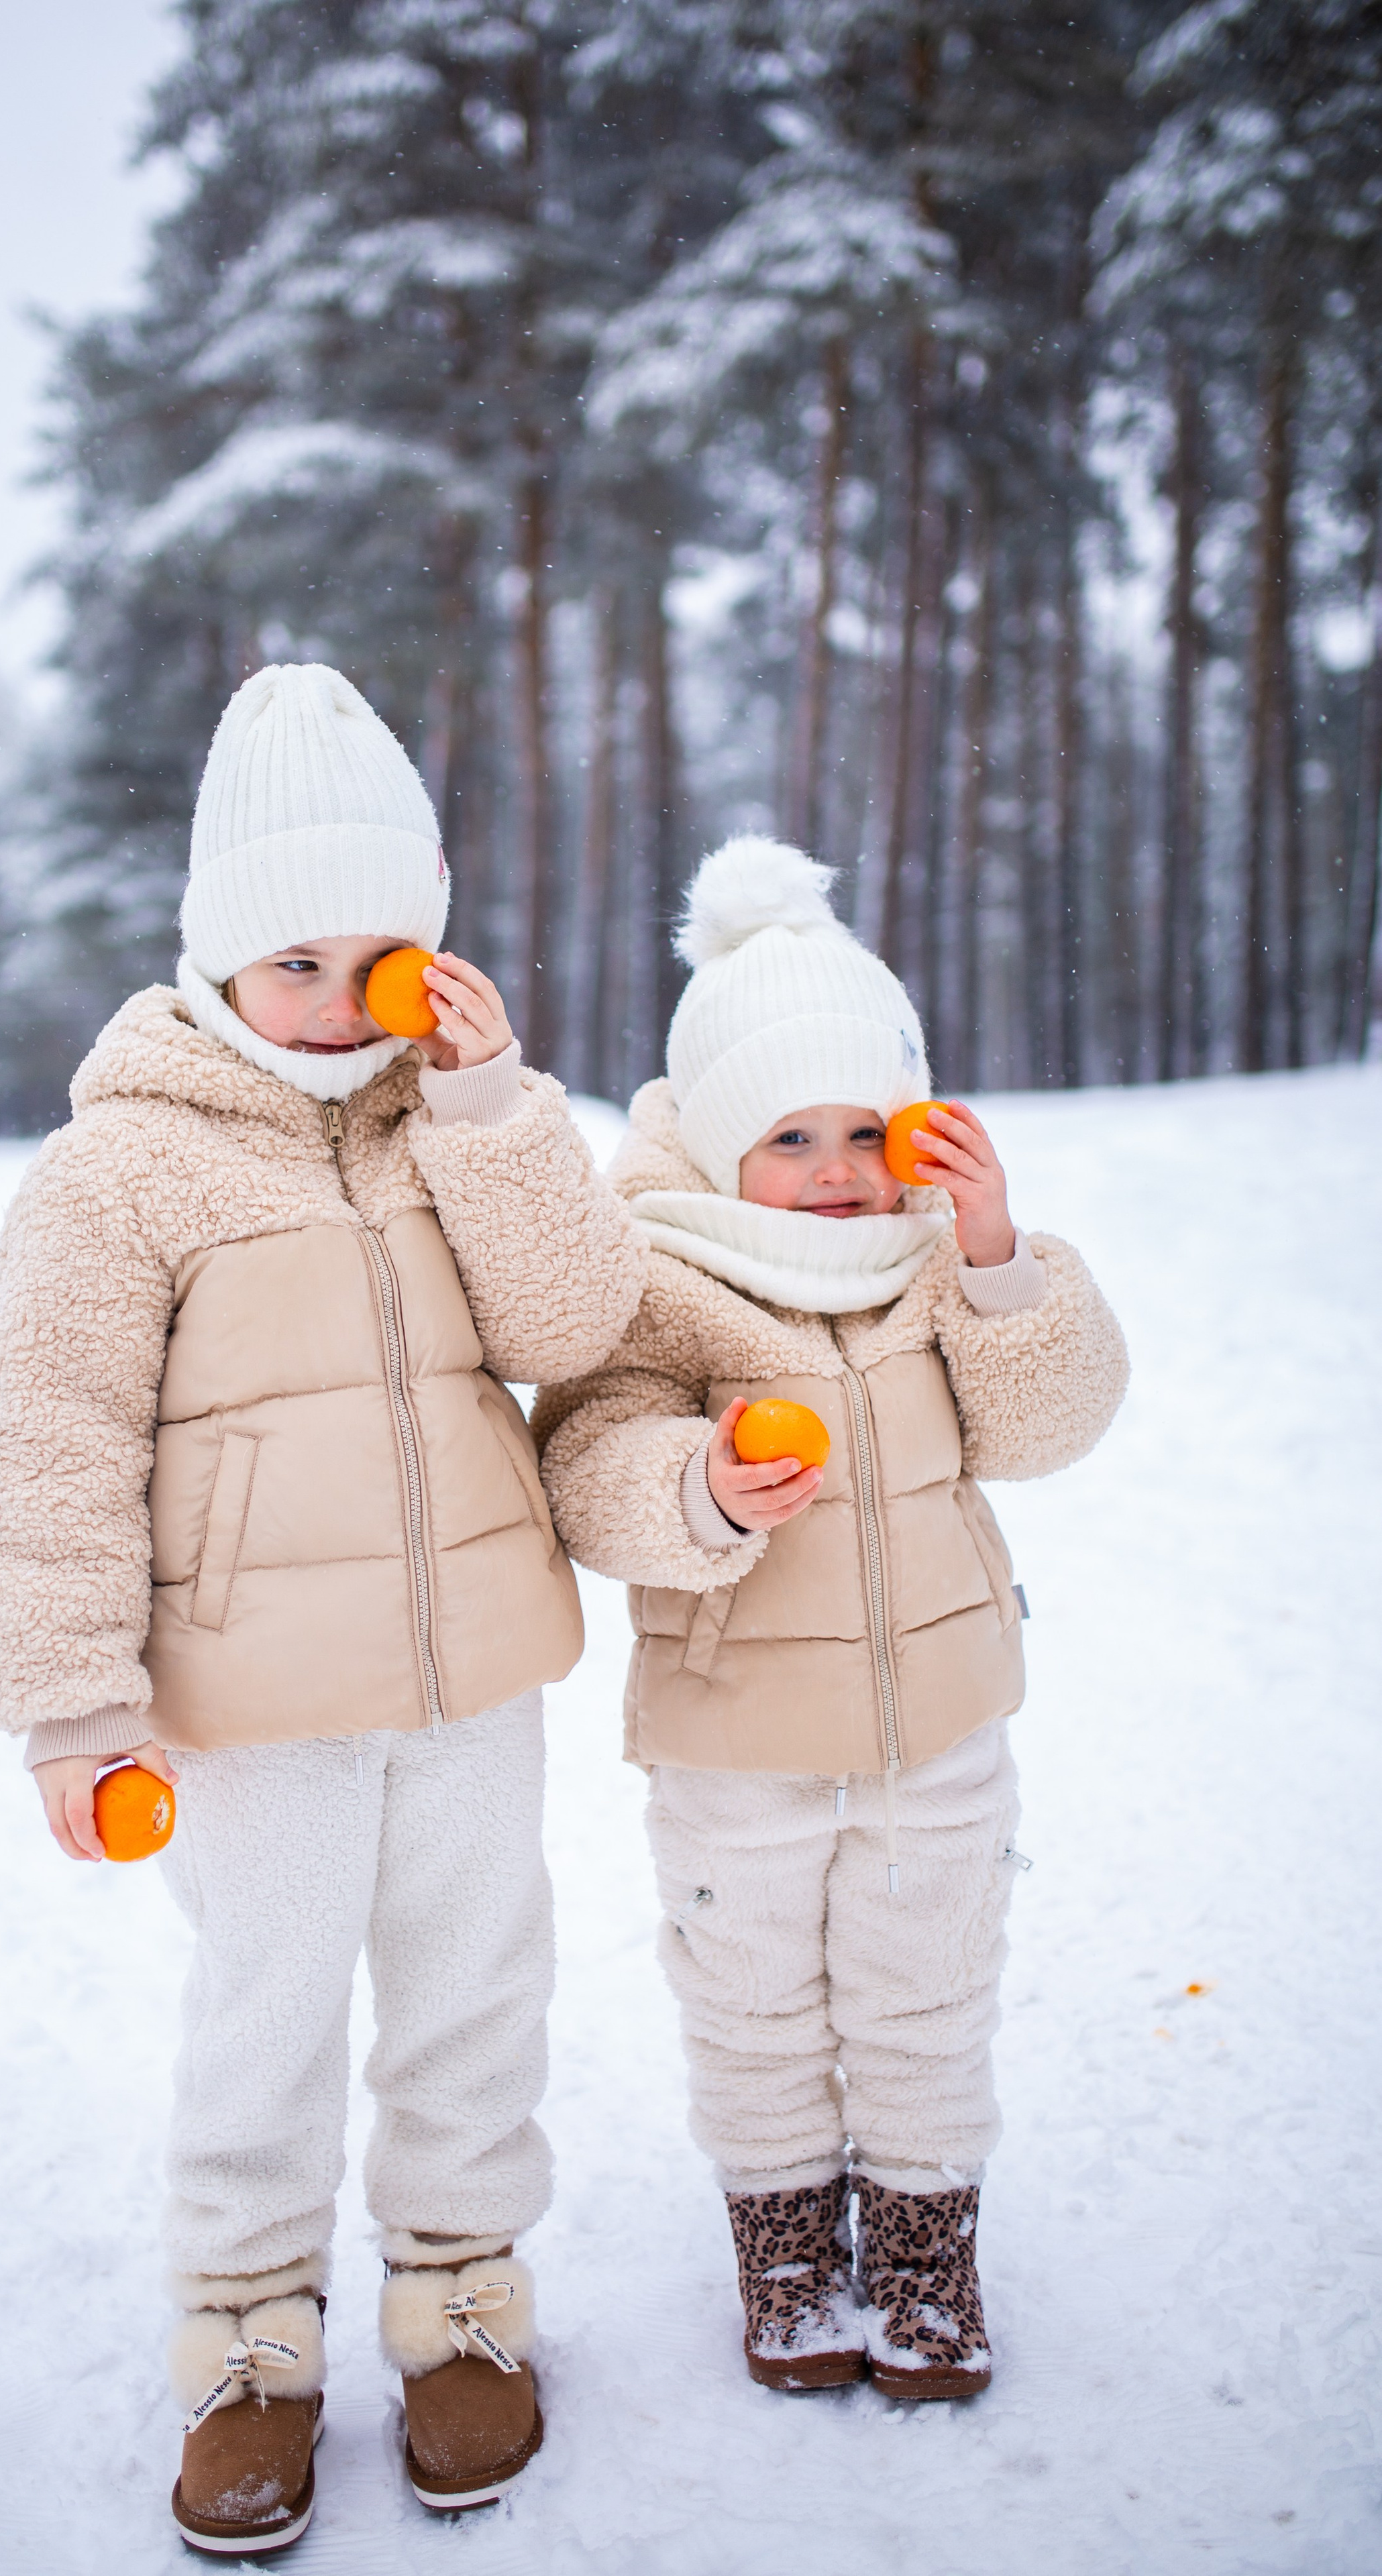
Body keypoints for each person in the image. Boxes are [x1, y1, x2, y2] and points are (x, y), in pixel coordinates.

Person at [0, 663, 646, 2553]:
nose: (347, 1007)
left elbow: (573, 1330)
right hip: (249, 1705)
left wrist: (501, 1111)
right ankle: (250, 2336)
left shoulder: (462, 1126)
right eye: (298, 964)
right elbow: (47, 1441)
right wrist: (75, 1705)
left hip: (468, 1683)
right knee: (266, 2008)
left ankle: (461, 2294)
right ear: (211, 963)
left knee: (474, 1990)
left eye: (385, 960)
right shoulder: (121, 1170)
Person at [533, 836, 1128, 2401]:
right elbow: (585, 1463)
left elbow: (1051, 1425)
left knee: (928, 1990)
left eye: (866, 1129)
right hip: (733, 1743)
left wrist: (998, 1258)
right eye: (790, 1135)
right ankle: (784, 2244)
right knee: (751, 2005)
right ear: (722, 1142)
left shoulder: (934, 1265)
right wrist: (702, 1491)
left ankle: (926, 2252)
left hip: (937, 1724)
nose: (838, 1169)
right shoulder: (660, 1274)